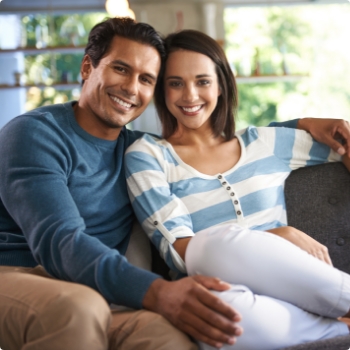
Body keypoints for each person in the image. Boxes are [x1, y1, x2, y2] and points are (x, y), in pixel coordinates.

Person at [0, 17, 349, 350]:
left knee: (170, 335)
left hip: (100, 290)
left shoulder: (128, 145)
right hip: (25, 274)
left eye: (147, 78)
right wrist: (157, 292)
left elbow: (230, 143)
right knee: (82, 308)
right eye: (121, 68)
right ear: (88, 67)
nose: (131, 88)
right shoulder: (36, 134)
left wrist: (306, 122)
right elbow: (60, 241)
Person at [124, 29, 350, 350]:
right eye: (176, 83)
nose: (190, 96)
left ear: (220, 85)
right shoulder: (149, 156)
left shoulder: (264, 143)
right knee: (211, 272)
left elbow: (343, 144)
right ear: (162, 90)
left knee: (213, 248)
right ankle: (337, 329)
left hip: (290, 283)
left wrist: (311, 122)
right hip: (226, 293)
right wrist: (279, 234)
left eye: (202, 81)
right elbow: (181, 251)